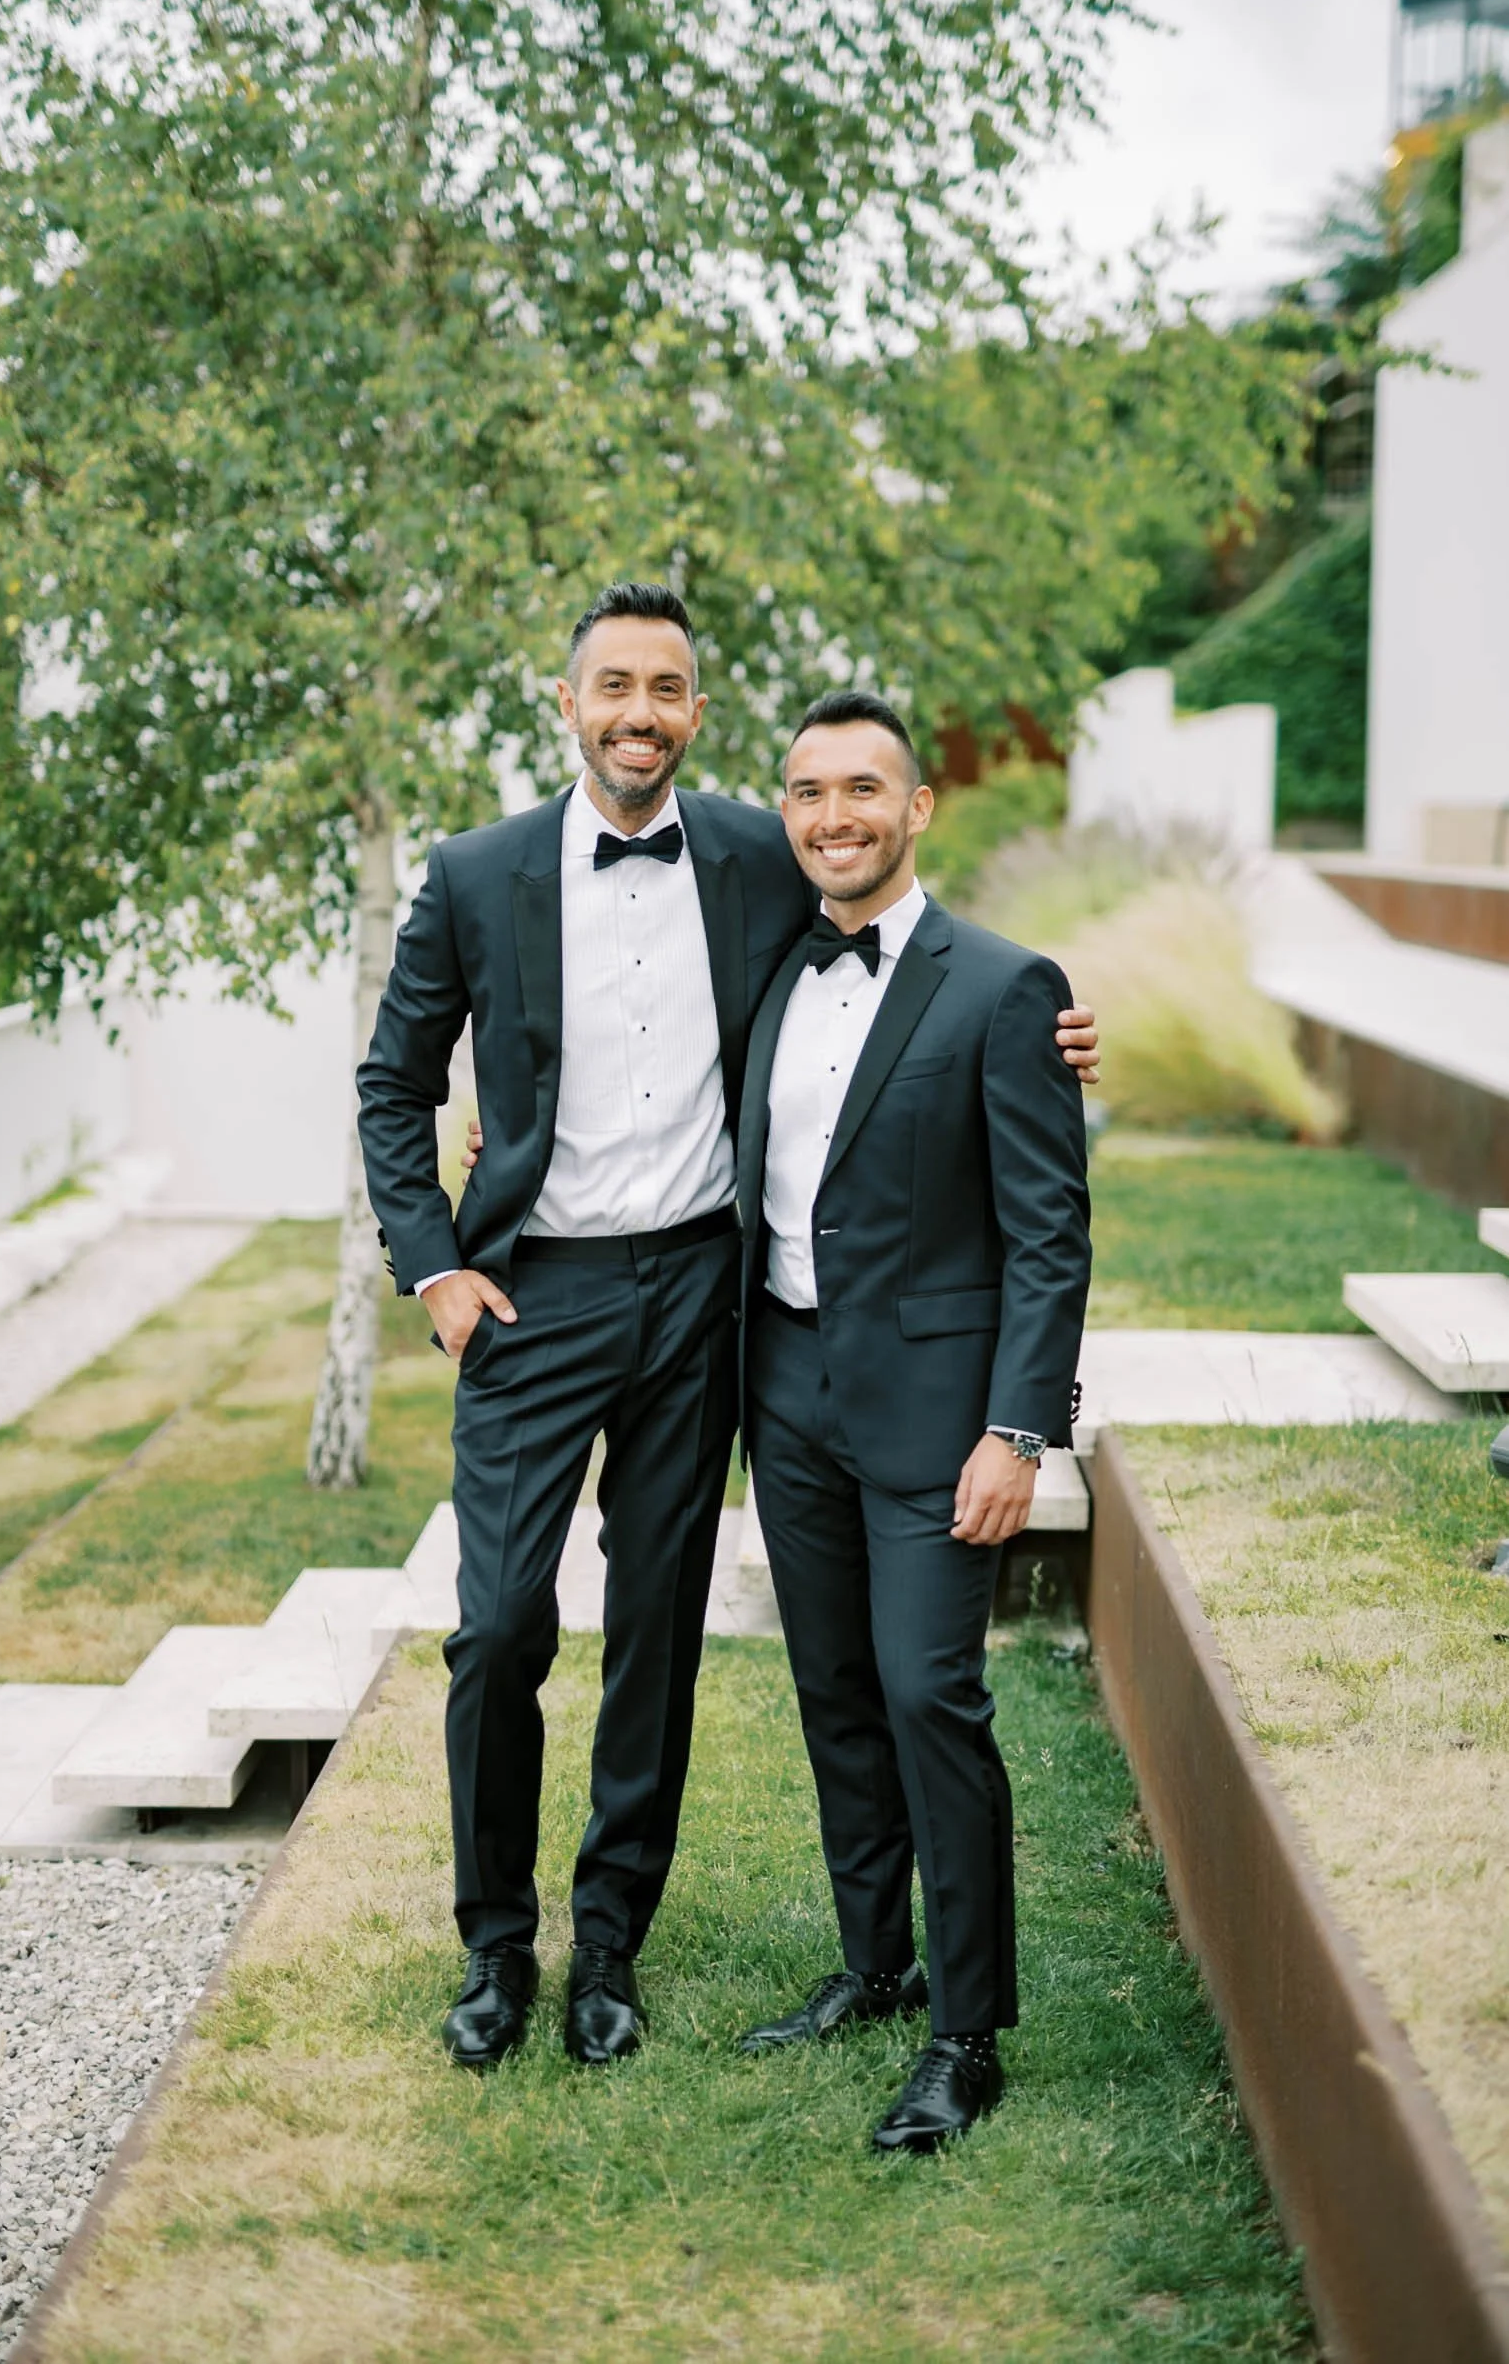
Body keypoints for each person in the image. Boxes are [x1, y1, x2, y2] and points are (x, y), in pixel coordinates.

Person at [357, 585, 1099, 2073]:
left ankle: (609, 1945)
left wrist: (1054, 1030)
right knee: (496, 1627)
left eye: (667, 690)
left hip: (704, 1295)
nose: (639, 715)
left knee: (657, 1631)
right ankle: (497, 1945)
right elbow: (394, 1083)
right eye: (613, 687)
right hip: (530, 1296)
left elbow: (911, 959)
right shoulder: (474, 873)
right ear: (568, 704)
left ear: (696, 714)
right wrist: (433, 1268)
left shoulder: (764, 851)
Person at [735, 689, 1092, 2155]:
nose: (836, 816)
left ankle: (966, 2032)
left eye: (863, 789)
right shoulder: (768, 961)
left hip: (942, 1417)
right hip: (784, 1390)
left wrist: (1018, 1429)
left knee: (928, 1696)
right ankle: (873, 1965)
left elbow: (1048, 1233)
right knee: (832, 1692)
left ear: (916, 806)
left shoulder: (1005, 988)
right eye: (809, 792)